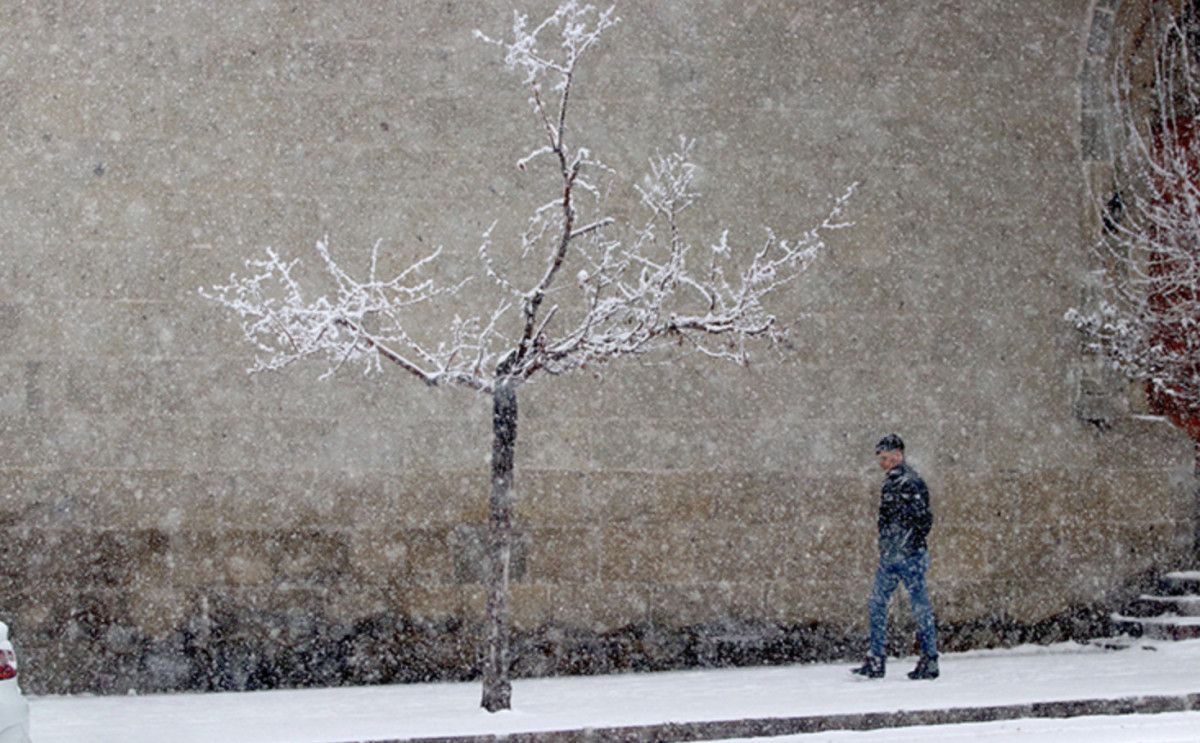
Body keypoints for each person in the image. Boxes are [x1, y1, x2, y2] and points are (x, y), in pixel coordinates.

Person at [851, 434, 939, 680]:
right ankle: (878, 658)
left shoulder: (910, 483)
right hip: (894, 555)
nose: (883, 463)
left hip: (907, 555)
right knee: (882, 603)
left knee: (914, 605)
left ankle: (927, 658)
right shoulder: (894, 482)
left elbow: (923, 520)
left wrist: (905, 544)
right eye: (881, 458)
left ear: (899, 455)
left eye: (887, 458)